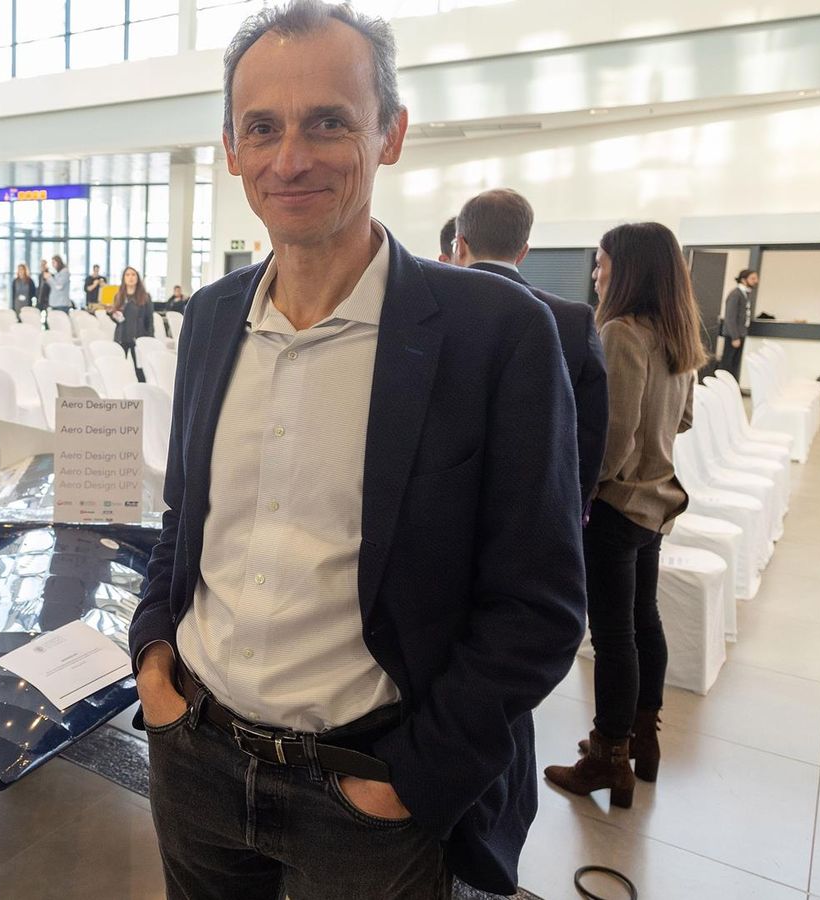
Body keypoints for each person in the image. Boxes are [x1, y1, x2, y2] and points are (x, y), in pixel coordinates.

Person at [128, 4, 585, 898]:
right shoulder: (215, 318)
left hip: (366, 790)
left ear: (391, 135)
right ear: (231, 149)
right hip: (196, 760)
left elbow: (538, 604)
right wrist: (154, 663)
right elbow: (188, 518)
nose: (290, 158)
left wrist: (409, 779)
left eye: (328, 122)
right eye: (262, 128)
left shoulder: (494, 335)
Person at [544, 222, 706, 809]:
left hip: (616, 506)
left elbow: (614, 437)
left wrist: (580, 488)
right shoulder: (678, 335)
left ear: (628, 268)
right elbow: (681, 421)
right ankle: (644, 739)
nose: (596, 272)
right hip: (658, 502)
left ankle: (607, 758)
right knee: (643, 621)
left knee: (613, 636)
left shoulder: (620, 332)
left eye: (603, 261)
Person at [454, 188, 608, 507]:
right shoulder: (573, 320)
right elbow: (591, 432)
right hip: (536, 506)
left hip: (441, 509)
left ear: (460, 244)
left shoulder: (428, 312)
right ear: (523, 252)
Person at [110, 265, 154, 364]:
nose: (130, 277)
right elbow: (118, 320)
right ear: (124, 278)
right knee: (120, 366)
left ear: (137, 278)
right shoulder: (118, 296)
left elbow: (149, 320)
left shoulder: (145, 297)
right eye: (127, 275)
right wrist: (112, 314)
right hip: (122, 337)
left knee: (140, 370)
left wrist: (150, 338)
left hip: (138, 337)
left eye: (133, 275)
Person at [718, 267, 756, 377]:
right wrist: (735, 337)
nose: (755, 281)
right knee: (727, 363)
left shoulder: (745, 294)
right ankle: (722, 388)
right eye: (753, 278)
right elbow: (730, 317)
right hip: (733, 335)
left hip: (740, 333)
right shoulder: (735, 294)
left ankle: (732, 389)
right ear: (744, 280)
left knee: (735, 364)